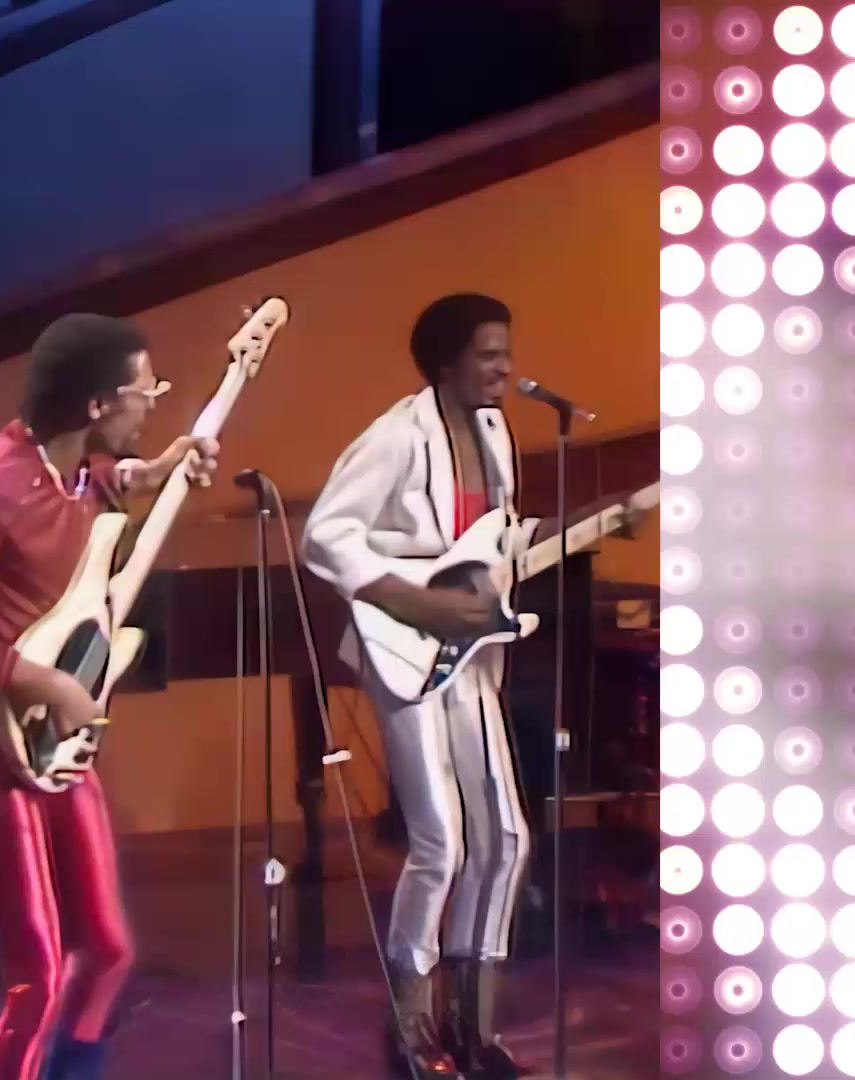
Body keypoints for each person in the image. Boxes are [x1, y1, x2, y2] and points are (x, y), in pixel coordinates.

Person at [0, 314, 218, 1080]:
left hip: (54, 731)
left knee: (108, 949)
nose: (153, 401)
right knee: (37, 972)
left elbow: (94, 482)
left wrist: (159, 467)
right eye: (146, 390)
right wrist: (35, 677)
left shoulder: (79, 463)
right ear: (98, 404)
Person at [300, 293, 536, 1079]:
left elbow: (485, 543)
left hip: (469, 653)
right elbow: (325, 535)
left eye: (506, 353)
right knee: (440, 839)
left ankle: (475, 1027)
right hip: (405, 645)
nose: (504, 368)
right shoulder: (397, 435)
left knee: (506, 836)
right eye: (487, 355)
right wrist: (418, 601)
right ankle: (409, 1027)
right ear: (445, 361)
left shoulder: (495, 433)